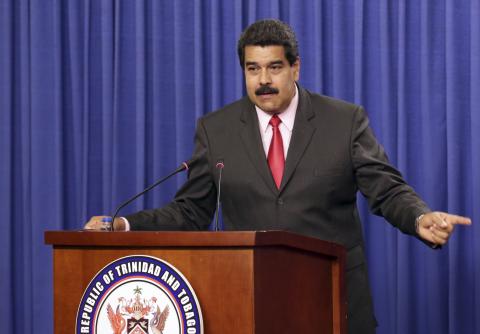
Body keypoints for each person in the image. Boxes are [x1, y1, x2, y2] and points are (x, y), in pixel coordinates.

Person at [85, 19, 471, 333]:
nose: (263, 79)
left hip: (333, 301)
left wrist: (419, 217)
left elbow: (385, 189)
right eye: (253, 69)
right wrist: (124, 224)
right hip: (249, 304)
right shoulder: (216, 130)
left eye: (274, 67)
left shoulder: (343, 120)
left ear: (295, 67)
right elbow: (190, 211)